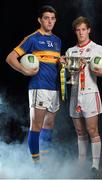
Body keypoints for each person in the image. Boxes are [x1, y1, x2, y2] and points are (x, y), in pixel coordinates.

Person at [60, 16, 102, 177]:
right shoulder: (70, 51)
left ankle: (95, 165)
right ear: (75, 32)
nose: (81, 33)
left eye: (83, 29)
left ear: (89, 30)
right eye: (78, 30)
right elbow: (67, 72)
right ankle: (81, 162)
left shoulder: (97, 48)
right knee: (79, 131)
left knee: (92, 130)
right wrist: (62, 63)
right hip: (75, 93)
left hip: (90, 93)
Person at [6, 5, 61, 165]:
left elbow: (53, 64)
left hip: (54, 88)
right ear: (40, 20)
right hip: (39, 87)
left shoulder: (57, 40)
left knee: (49, 124)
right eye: (46, 18)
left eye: (52, 18)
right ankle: (36, 165)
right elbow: (10, 58)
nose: (49, 21)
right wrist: (24, 70)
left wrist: (62, 63)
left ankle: (46, 160)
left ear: (55, 20)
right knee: (36, 125)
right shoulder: (33, 38)